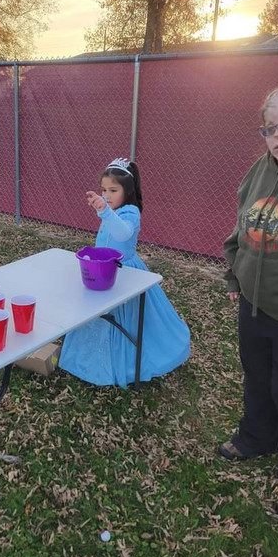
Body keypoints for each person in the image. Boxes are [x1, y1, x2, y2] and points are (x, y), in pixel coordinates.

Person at [220, 84, 278, 522]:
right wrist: (236, 273)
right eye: (269, 128)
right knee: (258, 376)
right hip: (253, 303)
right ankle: (256, 437)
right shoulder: (259, 170)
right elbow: (242, 223)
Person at [59, 157, 191, 387]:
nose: (106, 195)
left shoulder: (129, 212)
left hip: (125, 272)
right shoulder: (112, 209)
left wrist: (104, 212)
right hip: (102, 269)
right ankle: (88, 357)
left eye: (113, 190)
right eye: (103, 190)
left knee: (126, 314)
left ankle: (123, 359)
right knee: (96, 310)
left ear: (127, 191)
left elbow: (121, 234)